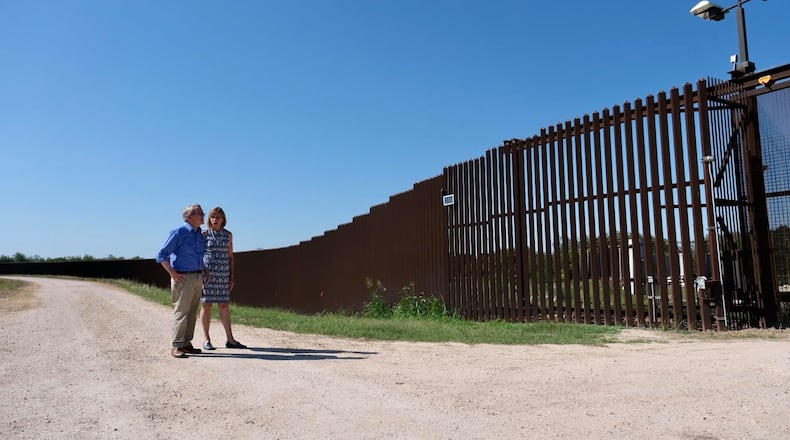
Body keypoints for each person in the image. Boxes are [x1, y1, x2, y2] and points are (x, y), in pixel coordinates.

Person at [156, 204, 207, 358]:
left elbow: (198, 256)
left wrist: (204, 270)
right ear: (189, 217)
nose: (203, 214)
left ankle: (186, 343)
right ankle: (176, 345)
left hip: (198, 277)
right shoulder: (179, 232)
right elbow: (161, 255)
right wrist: (172, 273)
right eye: (200, 213)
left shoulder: (199, 234)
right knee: (181, 312)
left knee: (192, 312)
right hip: (183, 278)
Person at [200, 207, 247, 350]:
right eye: (213, 217)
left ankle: (230, 339)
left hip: (223, 274)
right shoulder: (204, 234)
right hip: (208, 275)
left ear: (223, 220)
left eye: (218, 217)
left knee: (224, 305)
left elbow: (231, 256)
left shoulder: (228, 235)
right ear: (209, 219)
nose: (215, 220)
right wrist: (202, 270)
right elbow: (198, 254)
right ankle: (206, 340)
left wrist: (232, 276)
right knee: (206, 305)